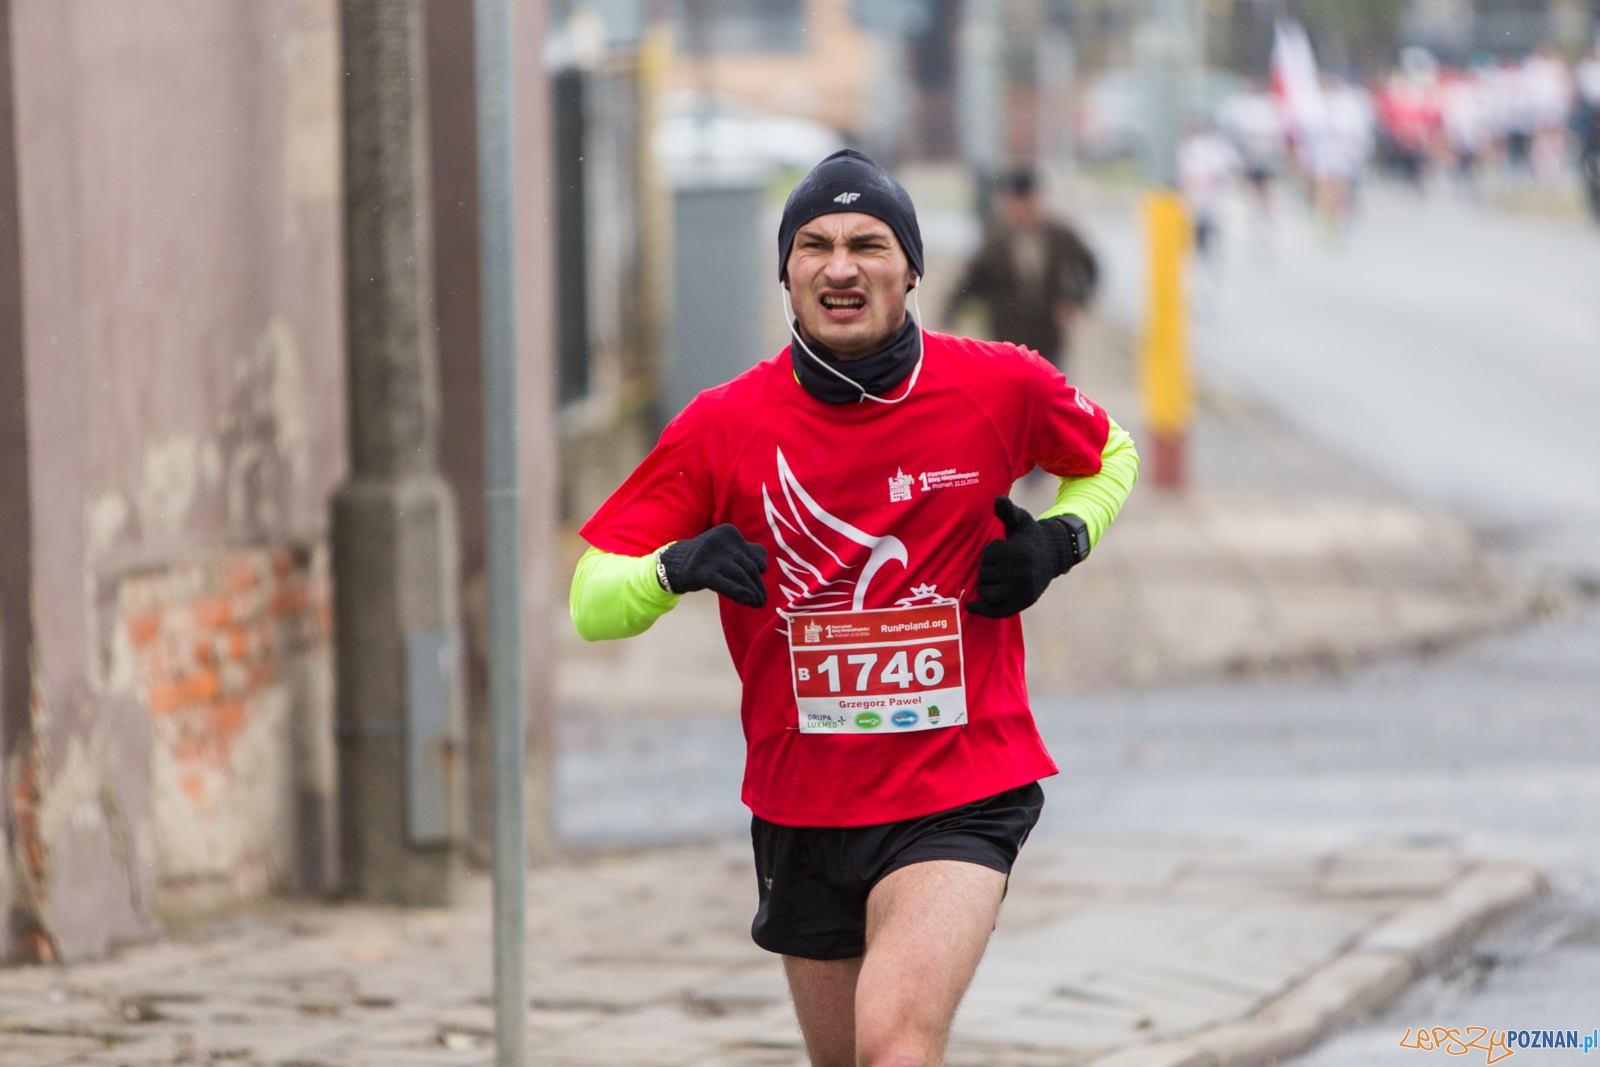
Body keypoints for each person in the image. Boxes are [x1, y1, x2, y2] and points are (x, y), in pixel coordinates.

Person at [570, 148, 1138, 1067]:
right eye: (815, 245)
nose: (840, 266)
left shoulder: (998, 385)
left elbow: (1110, 455)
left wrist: (1059, 541)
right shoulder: (723, 424)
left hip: (961, 785)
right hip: (802, 805)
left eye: (868, 244)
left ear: (911, 269)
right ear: (787, 273)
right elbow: (591, 601)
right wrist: (673, 567)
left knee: (894, 1044)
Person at [942, 168, 1098, 373]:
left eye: (1029, 201)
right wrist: (949, 316)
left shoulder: (1060, 236)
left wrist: (1074, 300)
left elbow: (1089, 266)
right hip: (1007, 342)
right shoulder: (995, 242)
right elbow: (969, 280)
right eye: (1017, 202)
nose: (1023, 209)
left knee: (1055, 386)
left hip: (1049, 340)